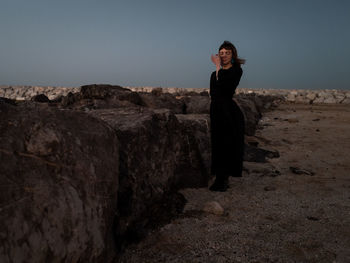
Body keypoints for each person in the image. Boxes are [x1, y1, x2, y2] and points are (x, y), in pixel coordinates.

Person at [209, 40, 246, 192]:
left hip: (229, 111)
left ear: (232, 55)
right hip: (216, 109)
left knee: (228, 143)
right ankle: (220, 177)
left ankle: (223, 179)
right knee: (217, 144)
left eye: (227, 53)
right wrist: (217, 70)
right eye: (221, 53)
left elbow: (226, 88)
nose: (223, 56)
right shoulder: (214, 74)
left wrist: (218, 67)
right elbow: (214, 93)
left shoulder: (237, 70)